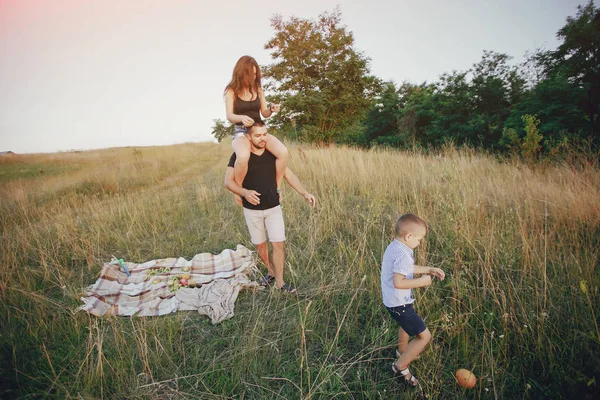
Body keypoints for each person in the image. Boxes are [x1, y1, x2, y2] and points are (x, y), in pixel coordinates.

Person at [224, 122, 315, 293]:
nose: (263, 138)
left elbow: (288, 175)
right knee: (261, 246)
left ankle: (280, 283)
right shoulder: (238, 155)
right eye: (258, 135)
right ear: (248, 137)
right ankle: (270, 272)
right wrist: (244, 192)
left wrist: (305, 193)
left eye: (265, 134)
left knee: (278, 244)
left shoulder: (272, 153)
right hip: (252, 210)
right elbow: (228, 181)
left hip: (274, 208)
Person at [380, 214, 445, 387]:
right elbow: (398, 282)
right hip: (398, 303)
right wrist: (422, 281)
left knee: (405, 326)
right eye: (419, 239)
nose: (419, 243)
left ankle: (402, 351)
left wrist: (429, 269)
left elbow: (406, 268)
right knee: (424, 336)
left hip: (394, 301)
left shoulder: (396, 246)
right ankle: (400, 366)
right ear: (409, 236)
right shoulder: (403, 255)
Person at [224, 55, 288, 194]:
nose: (253, 77)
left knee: (283, 152)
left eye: (255, 73)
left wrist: (271, 109)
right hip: (241, 132)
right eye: (250, 74)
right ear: (241, 72)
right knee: (243, 156)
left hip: (258, 131)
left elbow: (264, 113)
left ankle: (276, 188)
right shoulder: (231, 91)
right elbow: (229, 116)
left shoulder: (257, 88)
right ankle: (240, 191)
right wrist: (241, 117)